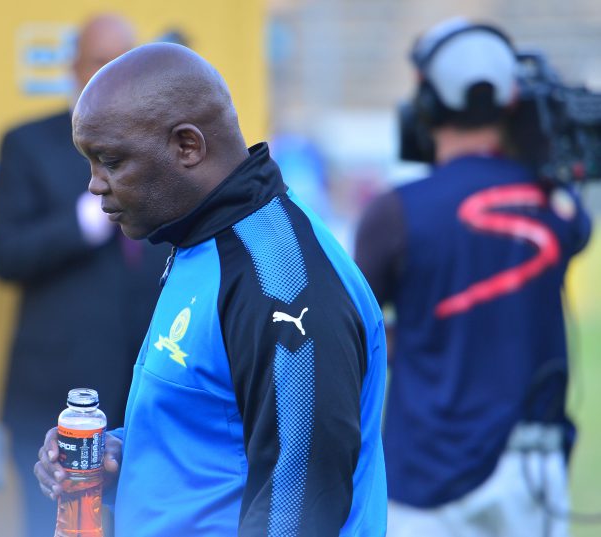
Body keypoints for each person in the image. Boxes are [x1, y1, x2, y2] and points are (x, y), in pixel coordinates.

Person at [33, 42, 388, 536]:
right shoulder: (200, 240)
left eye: (110, 160)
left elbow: (297, 514)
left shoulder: (281, 284)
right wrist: (120, 455)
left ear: (187, 146)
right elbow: (219, 435)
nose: (94, 185)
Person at [355, 18, 593, 537]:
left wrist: (410, 340)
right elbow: (578, 213)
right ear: (511, 102)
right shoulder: (558, 208)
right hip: (533, 472)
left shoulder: (395, 212)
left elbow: (351, 327)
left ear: (426, 104)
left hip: (424, 475)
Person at [0, 14, 168, 537]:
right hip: (52, 397)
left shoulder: (159, 155)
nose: (112, 76)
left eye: (124, 64)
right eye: (99, 62)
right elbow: (4, 256)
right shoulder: (28, 144)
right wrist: (78, 226)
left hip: (144, 396)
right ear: (71, 67)